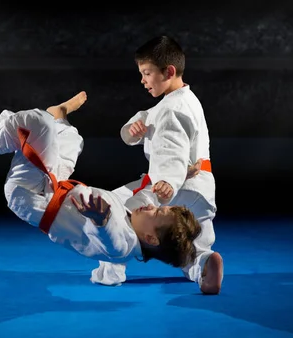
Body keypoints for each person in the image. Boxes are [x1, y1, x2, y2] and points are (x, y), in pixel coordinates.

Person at [0, 91, 202, 271]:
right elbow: (146, 192)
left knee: (36, 122)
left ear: (151, 239)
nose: (151, 207)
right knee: (71, 139)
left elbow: (109, 239)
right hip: (57, 182)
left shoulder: (122, 243)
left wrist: (100, 221)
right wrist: (179, 174)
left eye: (156, 213)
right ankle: (60, 116)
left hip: (28, 194)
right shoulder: (135, 217)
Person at [91, 36, 224, 294]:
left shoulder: (170, 110)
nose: (143, 80)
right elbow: (137, 128)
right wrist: (133, 131)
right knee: (192, 244)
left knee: (115, 210)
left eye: (147, 73)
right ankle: (204, 264)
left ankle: (111, 271)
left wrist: (167, 182)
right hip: (202, 189)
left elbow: (170, 149)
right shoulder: (185, 101)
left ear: (169, 71)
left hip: (172, 187)